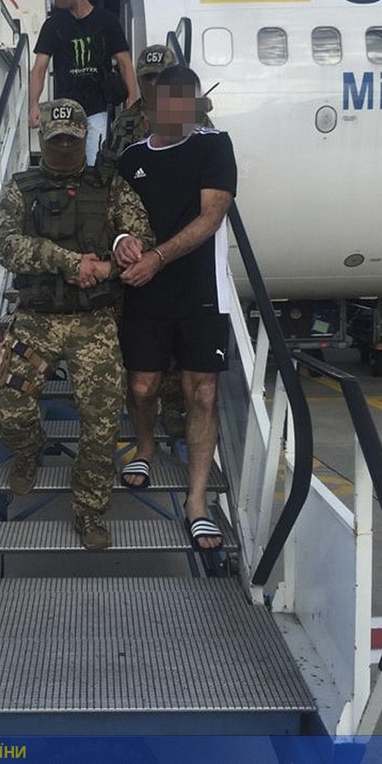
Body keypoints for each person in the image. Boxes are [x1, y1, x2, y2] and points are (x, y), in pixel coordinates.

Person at [0, 99, 154, 551]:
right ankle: (29, 451)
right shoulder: (21, 188)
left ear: (85, 138)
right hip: (36, 317)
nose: (64, 146)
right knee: (11, 409)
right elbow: (5, 245)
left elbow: (144, 239)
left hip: (93, 320)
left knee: (101, 422)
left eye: (72, 139)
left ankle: (89, 511)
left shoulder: (111, 186)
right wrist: (66, 261)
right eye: (56, 139)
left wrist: (114, 259)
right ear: (43, 139)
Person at [115, 65, 237, 551]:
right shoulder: (131, 157)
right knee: (142, 387)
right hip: (145, 291)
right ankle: (145, 447)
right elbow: (116, 216)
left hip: (200, 290)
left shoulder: (214, 145)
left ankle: (197, 502)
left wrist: (157, 258)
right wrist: (122, 241)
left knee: (201, 393)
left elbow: (212, 216)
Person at [28, 0, 138, 166]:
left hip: (98, 107)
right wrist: (34, 104)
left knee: (96, 163)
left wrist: (132, 101)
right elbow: (39, 69)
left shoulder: (107, 20)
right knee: (66, 165)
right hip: (65, 110)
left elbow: (124, 62)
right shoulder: (53, 25)